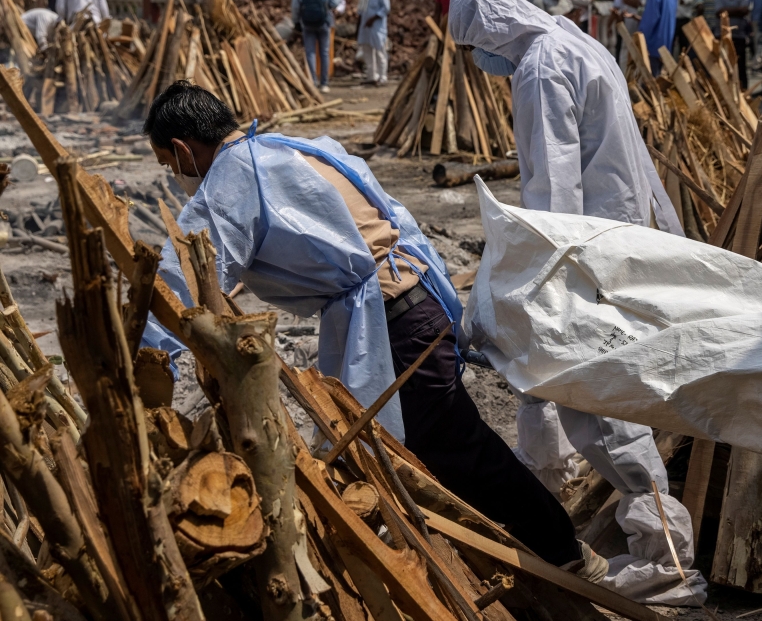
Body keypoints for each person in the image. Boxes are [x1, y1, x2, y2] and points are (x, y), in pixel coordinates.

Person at [139, 80, 607, 580]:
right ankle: (517, 554)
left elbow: (179, 280)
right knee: (424, 447)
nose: (176, 176)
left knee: (454, 447)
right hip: (415, 298)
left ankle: (563, 554)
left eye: (171, 165)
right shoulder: (296, 147)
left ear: (185, 149)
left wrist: (145, 357)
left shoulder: (227, 184)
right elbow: (394, 215)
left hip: (392, 321)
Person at [449, 0, 706, 606]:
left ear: (488, 31)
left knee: (599, 401)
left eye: (472, 47)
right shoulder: (578, 42)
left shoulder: (539, 70)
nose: (479, 62)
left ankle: (667, 560)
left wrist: (531, 276)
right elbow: (632, 160)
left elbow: (552, 187)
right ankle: (551, 504)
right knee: (553, 382)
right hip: (617, 237)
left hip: (584, 252)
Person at [292, 0, 342, 93]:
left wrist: (296, 22)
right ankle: (324, 83)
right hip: (324, 22)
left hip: (307, 23)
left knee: (310, 52)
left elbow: (295, 6)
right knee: (324, 52)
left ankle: (312, 82)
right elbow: (335, 4)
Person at [638, 0, 678, 76]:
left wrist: (640, 40)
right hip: (666, 43)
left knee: (650, 81)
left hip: (653, 44)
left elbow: (650, 20)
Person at [714, 0, 751, 87]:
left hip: (739, 35)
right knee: (724, 64)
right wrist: (737, 11)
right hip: (723, 36)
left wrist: (729, 11)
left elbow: (745, 10)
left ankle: (743, 87)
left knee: (740, 64)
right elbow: (720, 12)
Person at [357, 0, 390, 86]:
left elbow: (386, 8)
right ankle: (372, 76)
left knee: (380, 52)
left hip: (377, 27)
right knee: (367, 52)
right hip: (365, 27)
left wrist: (374, 18)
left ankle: (383, 76)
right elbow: (361, 11)